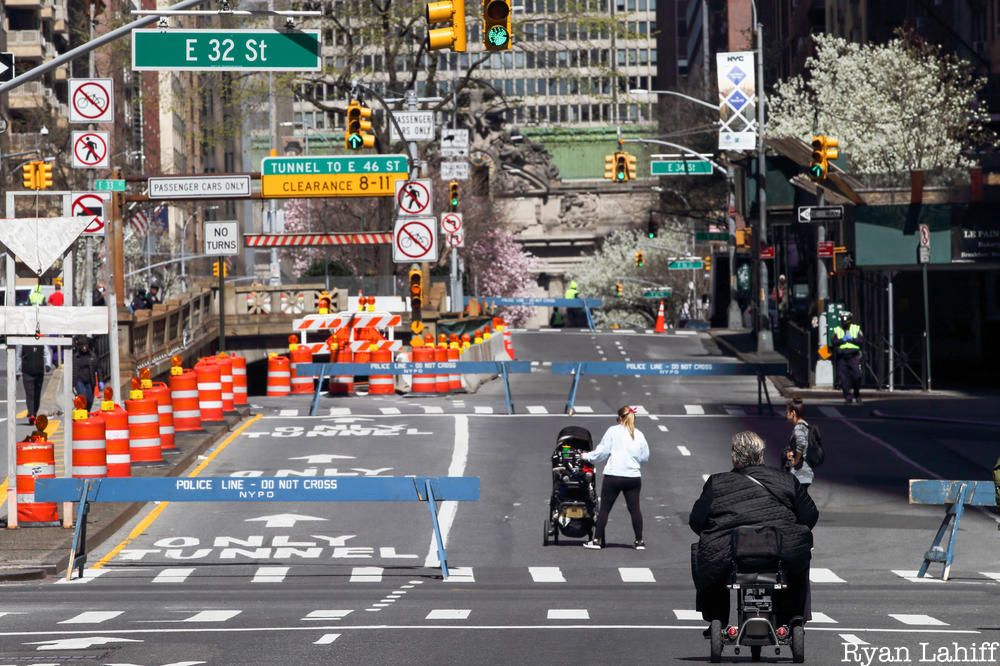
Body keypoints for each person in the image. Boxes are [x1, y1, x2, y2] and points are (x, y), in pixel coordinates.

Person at [689, 431, 818, 630]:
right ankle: (794, 616)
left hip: (732, 550)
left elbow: (697, 521)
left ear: (734, 456)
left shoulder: (717, 482)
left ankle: (717, 617)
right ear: (761, 454)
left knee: (708, 553)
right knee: (800, 555)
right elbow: (810, 516)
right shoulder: (786, 480)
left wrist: (715, 532)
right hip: (779, 548)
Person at [581, 405, 651, 550]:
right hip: (633, 477)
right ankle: (639, 541)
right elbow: (645, 458)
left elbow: (602, 453)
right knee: (635, 509)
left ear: (619, 418)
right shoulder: (639, 434)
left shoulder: (613, 431)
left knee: (605, 509)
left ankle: (596, 540)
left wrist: (586, 456)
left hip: (613, 475)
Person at [831, 311, 864, 403]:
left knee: (857, 375)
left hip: (853, 356)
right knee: (843, 378)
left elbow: (861, 341)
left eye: (846, 320)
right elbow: (833, 342)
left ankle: (856, 393)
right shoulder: (837, 329)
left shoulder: (856, 328)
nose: (844, 322)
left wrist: (852, 339)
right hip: (842, 356)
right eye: (842, 320)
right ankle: (848, 396)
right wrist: (842, 340)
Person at [783, 397, 813, 492]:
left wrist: (795, 460)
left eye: (787, 412)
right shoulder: (806, 425)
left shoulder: (799, 428)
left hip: (800, 474)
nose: (786, 415)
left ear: (793, 413)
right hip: (805, 473)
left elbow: (801, 444)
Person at [19, 345, 47, 426]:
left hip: (39, 372)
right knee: (29, 394)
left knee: (37, 394)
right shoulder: (23, 342)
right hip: (27, 372)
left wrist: (47, 364)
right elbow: (18, 355)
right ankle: (31, 414)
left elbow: (47, 353)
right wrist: (17, 371)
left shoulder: (41, 341)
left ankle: (34, 413)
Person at [73, 336, 97, 413]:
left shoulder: (92, 356)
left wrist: (100, 381)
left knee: (90, 398)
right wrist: (72, 383)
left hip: (89, 380)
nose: (84, 347)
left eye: (85, 345)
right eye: (82, 345)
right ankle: (83, 412)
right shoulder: (75, 356)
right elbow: (72, 370)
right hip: (79, 380)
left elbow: (98, 368)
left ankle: (87, 411)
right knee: (83, 396)